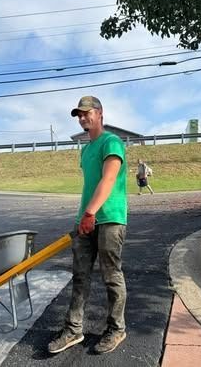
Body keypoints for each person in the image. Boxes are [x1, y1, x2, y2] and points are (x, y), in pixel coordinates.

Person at [48, 95, 128, 355]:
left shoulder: (111, 142)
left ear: (100, 113)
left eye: (86, 112)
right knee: (80, 276)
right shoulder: (85, 149)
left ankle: (116, 329)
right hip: (86, 219)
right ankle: (73, 329)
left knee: (111, 275)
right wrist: (81, 217)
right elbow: (89, 186)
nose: (83, 117)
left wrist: (90, 213)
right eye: (79, 114)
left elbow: (108, 180)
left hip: (109, 219)